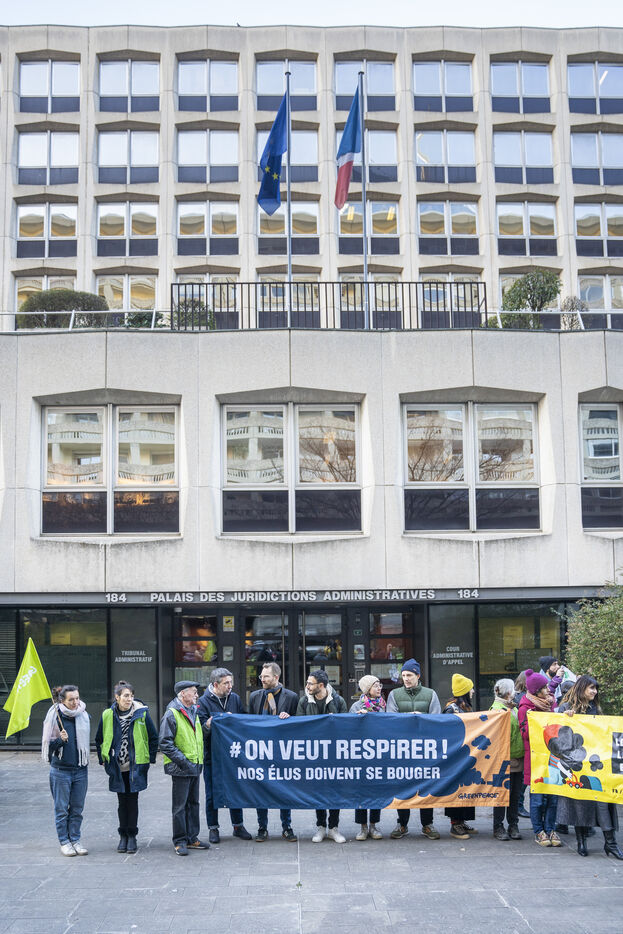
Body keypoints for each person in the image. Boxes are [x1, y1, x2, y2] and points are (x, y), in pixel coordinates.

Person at [556, 676, 623, 860]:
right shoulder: (565, 707)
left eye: (596, 688)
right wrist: (565, 718)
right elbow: (561, 736)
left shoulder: (596, 709)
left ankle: (610, 843)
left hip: (596, 764)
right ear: (582, 688)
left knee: (603, 802)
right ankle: (581, 842)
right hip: (576, 765)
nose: (595, 691)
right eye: (591, 688)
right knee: (579, 804)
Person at [95, 680, 158, 854]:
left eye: (131, 696)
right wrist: (102, 758)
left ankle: (132, 835)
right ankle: (122, 835)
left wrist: (150, 758)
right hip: (117, 766)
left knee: (133, 801)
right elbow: (99, 739)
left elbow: (153, 737)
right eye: (125, 696)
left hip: (135, 766)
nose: (129, 699)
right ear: (117, 697)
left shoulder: (141, 713)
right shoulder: (107, 715)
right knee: (122, 802)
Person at [386, 658, 441, 841]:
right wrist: (409, 718)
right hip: (402, 749)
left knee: (426, 786)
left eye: (409, 675)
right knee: (403, 787)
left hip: (424, 748)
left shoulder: (430, 694)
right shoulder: (394, 694)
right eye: (403, 675)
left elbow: (437, 720)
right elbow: (390, 720)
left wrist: (421, 717)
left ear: (418, 675)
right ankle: (402, 823)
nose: (406, 679)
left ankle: (427, 824)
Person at [197, 668, 252, 845]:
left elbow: (243, 720)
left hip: (233, 755)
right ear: (215, 684)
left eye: (231, 682)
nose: (230, 686)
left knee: (235, 790)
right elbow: (200, 731)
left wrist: (234, 719)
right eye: (226, 683)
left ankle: (238, 826)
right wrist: (212, 723)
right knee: (212, 793)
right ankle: (213, 828)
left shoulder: (234, 698)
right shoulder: (203, 702)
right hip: (212, 756)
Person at [248, 662, 299, 842]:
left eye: (266, 676)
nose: (262, 679)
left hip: (282, 751)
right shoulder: (255, 696)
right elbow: (249, 722)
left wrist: (289, 719)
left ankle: (287, 827)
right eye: (261, 676)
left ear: (276, 677)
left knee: (284, 790)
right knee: (260, 790)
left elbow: (299, 723)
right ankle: (262, 827)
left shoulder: (291, 697)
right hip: (261, 751)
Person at [296, 669, 347, 843]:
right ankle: (321, 827)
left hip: (334, 754)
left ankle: (333, 828)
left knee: (335, 790)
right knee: (318, 789)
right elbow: (300, 726)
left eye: (310, 683)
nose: (307, 686)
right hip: (314, 755)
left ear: (321, 685)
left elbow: (346, 727)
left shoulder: (338, 701)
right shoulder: (304, 701)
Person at [159, 680, 209, 856]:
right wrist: (184, 762)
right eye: (193, 692)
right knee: (180, 806)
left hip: (194, 764)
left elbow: (195, 737)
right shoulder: (172, 713)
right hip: (182, 767)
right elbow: (165, 743)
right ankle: (180, 841)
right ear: (182, 694)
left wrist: (207, 727)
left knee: (193, 804)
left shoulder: (193, 710)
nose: (197, 695)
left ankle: (192, 837)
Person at [42, 684, 90, 857]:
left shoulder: (83, 715)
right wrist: (60, 741)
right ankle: (64, 841)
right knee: (61, 809)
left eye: (77, 698)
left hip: (80, 770)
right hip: (60, 771)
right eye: (71, 700)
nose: (75, 702)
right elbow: (47, 748)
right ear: (62, 700)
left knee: (77, 808)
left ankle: (75, 839)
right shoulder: (54, 716)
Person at [518, 669, 559, 848]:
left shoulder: (551, 704)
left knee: (553, 797)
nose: (548, 690)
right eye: (544, 687)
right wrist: (540, 723)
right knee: (538, 798)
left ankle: (551, 829)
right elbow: (525, 734)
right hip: (535, 759)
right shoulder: (525, 708)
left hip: (552, 757)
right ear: (536, 691)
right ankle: (539, 831)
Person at [442, 674, 479, 840]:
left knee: (466, 789)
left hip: (465, 756)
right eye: (470, 688)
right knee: (457, 789)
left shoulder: (464, 707)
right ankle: (455, 824)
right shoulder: (452, 709)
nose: (473, 691)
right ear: (464, 691)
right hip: (455, 757)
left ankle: (462, 821)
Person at [350, 674, 386, 840]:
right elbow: (349, 728)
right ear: (367, 689)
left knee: (376, 790)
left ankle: (373, 825)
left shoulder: (384, 705)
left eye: (379, 685)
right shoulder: (356, 706)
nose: (379, 688)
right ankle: (363, 827)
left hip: (379, 753)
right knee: (361, 791)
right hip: (362, 755)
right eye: (375, 685)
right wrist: (359, 718)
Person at [489, 678, 523, 841]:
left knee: (515, 795)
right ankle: (498, 826)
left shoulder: (512, 708)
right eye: (513, 690)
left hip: (517, 758)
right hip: (503, 759)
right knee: (501, 795)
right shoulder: (498, 711)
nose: (515, 692)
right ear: (509, 693)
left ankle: (513, 824)